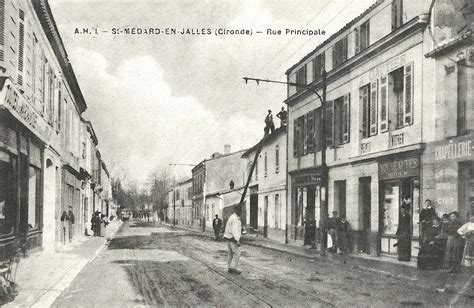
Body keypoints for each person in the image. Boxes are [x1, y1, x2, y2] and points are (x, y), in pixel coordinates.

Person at [223, 205, 242, 274]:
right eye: (238, 211)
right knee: (238, 253)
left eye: (240, 211)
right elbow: (234, 230)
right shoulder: (235, 219)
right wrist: (237, 240)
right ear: (235, 211)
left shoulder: (232, 217)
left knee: (230, 253)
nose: (240, 212)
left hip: (228, 237)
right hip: (232, 238)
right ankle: (234, 268)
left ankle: (228, 267)